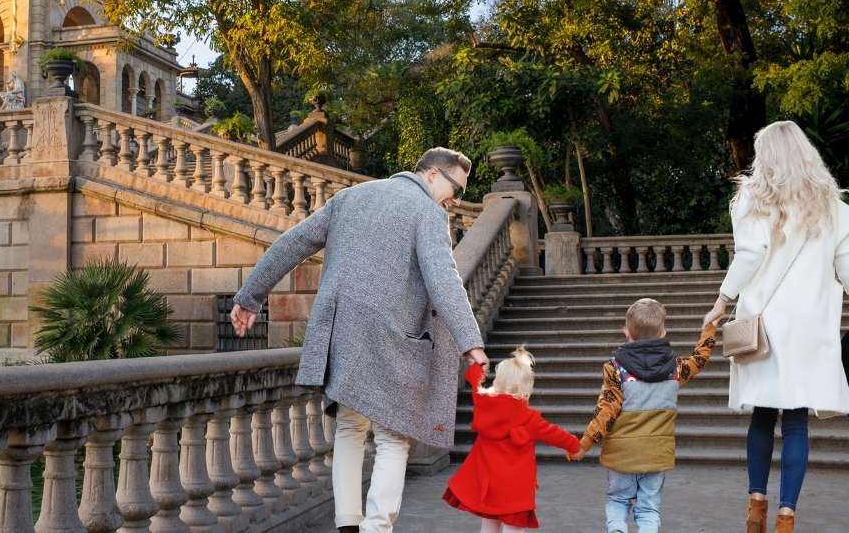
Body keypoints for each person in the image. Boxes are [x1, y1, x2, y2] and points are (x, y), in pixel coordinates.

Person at [230, 147, 489, 533]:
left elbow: (292, 243)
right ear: (433, 174)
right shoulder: (428, 213)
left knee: (350, 428)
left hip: (341, 331)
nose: (456, 200)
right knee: (393, 437)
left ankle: (348, 524)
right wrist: (471, 341)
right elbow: (443, 281)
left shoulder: (351, 197)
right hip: (391, 336)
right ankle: (376, 528)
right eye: (456, 189)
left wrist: (249, 297)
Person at [700, 120, 849, 533]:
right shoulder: (834, 206)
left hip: (765, 324)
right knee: (797, 421)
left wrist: (722, 301)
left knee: (763, 416)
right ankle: (787, 516)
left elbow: (749, 254)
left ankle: (755, 508)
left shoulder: (752, 200)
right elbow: (847, 266)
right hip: (810, 326)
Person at [568, 298, 717, 533]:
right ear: (663, 332)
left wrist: (583, 444)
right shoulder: (675, 368)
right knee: (649, 509)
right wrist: (709, 327)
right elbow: (700, 359)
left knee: (618, 501)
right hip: (656, 454)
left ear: (626, 331)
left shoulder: (615, 368)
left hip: (621, 455)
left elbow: (606, 411)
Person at [443, 347, 580, 532]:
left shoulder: (483, 402)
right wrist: (574, 445)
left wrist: (478, 366)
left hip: (489, 485)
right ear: (527, 387)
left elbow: (474, 381)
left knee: (489, 526)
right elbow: (554, 434)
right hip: (515, 489)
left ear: (498, 381)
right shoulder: (529, 418)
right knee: (513, 529)